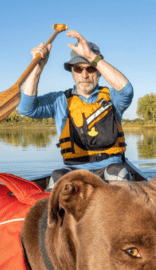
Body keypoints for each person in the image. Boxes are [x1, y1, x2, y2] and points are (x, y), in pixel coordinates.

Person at [17, 30, 134, 190]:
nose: (84, 75)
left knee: (118, 172)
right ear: (72, 72)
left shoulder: (113, 98)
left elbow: (126, 90)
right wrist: (37, 68)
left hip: (110, 170)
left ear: (99, 71)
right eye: (78, 69)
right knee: (57, 177)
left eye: (91, 68)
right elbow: (26, 108)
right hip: (76, 172)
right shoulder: (59, 101)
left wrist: (93, 57)